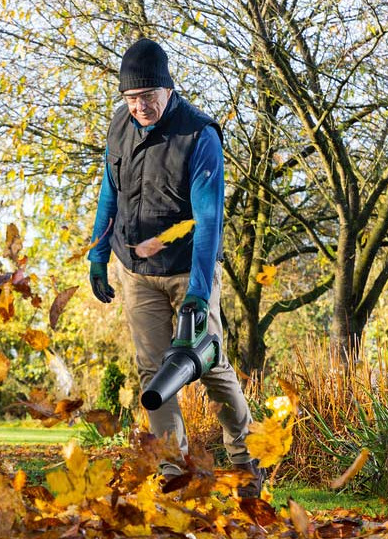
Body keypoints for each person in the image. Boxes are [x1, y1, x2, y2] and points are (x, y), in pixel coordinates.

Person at [87, 38, 263, 498]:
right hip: (136, 272)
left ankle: (245, 456)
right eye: (131, 98)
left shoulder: (198, 135)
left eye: (148, 97)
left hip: (189, 269)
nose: (140, 106)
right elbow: (110, 194)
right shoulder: (119, 126)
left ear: (168, 89)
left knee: (206, 362)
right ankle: (173, 472)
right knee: (152, 371)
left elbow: (209, 221)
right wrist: (97, 254)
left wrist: (200, 292)